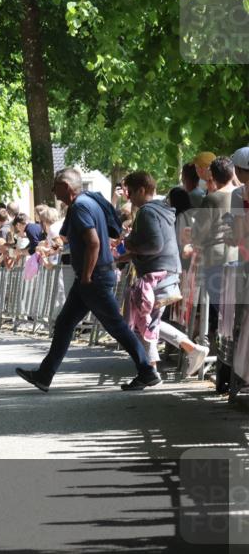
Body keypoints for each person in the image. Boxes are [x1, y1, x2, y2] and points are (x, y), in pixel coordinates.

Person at [16, 168, 160, 392]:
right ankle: (44, 375)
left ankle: (147, 370)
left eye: (56, 186)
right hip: (93, 276)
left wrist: (86, 276)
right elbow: (69, 237)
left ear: (66, 186)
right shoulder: (87, 203)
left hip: (94, 277)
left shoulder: (80, 206)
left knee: (116, 325)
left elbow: (93, 243)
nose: (54, 190)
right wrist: (56, 245)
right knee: (65, 323)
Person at [120, 171, 209, 377]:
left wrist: (130, 244)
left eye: (131, 192)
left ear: (142, 190)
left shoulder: (147, 212)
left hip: (156, 274)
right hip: (165, 272)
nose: (129, 197)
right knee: (150, 320)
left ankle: (151, 371)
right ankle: (190, 350)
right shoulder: (162, 210)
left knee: (146, 321)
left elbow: (154, 245)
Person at [188, 157, 240, 394]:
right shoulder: (241, 194)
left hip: (215, 261)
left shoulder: (212, 199)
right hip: (238, 259)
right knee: (237, 317)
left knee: (223, 319)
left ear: (214, 177)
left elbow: (199, 235)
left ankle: (226, 373)